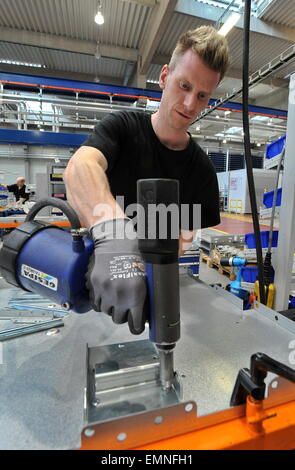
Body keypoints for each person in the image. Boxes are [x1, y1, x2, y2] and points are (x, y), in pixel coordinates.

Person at [63, 26, 230, 335]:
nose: (191, 104)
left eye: (202, 95)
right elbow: (79, 168)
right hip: (94, 290)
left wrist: (142, 269)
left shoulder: (201, 170)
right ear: (164, 77)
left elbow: (181, 241)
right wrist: (115, 239)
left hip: (154, 293)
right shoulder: (123, 128)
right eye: (184, 85)